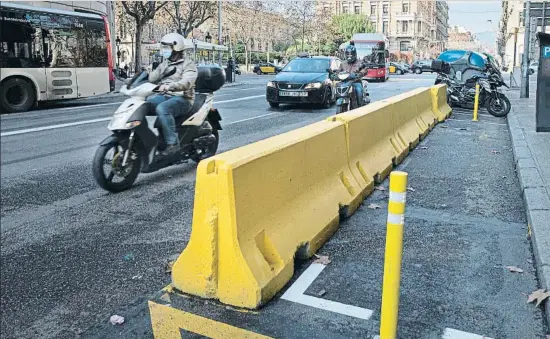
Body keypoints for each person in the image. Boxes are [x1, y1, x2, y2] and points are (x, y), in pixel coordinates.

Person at [148, 32, 197, 156]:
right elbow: (152, 78)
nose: (164, 50)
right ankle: (142, 139)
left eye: (167, 47)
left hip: (183, 98)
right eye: (163, 47)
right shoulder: (165, 64)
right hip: (165, 96)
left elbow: (186, 82)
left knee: (162, 109)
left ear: (176, 48)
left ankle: (173, 143)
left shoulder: (188, 64)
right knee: (144, 105)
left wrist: (170, 86)